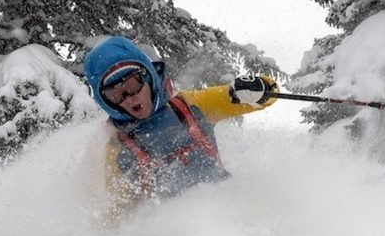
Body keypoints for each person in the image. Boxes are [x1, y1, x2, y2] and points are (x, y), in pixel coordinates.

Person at [83, 36, 278, 211]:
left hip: (224, 208)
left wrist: (258, 89)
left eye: (133, 85)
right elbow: (118, 213)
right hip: (172, 232)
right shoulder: (118, 148)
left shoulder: (191, 105)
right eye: (115, 95)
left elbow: (265, 95)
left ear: (148, 76)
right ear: (105, 102)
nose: (130, 98)